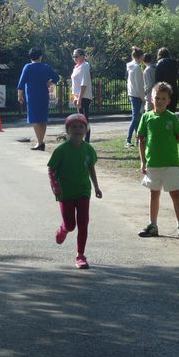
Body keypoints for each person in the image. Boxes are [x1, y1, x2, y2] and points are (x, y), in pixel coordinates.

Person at [136, 82, 179, 239]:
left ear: (168, 101)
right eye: (157, 97)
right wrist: (143, 161)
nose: (159, 100)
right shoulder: (146, 117)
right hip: (152, 164)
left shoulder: (172, 118)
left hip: (171, 164)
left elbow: (178, 138)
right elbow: (141, 139)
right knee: (154, 194)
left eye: (163, 98)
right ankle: (153, 225)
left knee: (175, 194)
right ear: (152, 99)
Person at [48, 113, 102, 269]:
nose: (77, 129)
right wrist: (55, 186)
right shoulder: (61, 150)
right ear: (67, 130)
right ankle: (63, 229)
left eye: (81, 126)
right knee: (71, 225)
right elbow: (51, 168)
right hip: (65, 193)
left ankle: (80, 255)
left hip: (83, 191)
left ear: (86, 129)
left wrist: (96, 187)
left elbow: (91, 167)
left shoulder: (89, 149)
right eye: (73, 127)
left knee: (83, 223)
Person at [17, 48, 60, 151]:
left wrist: (19, 95)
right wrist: (49, 82)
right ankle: (41, 142)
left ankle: (40, 143)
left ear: (30, 56)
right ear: (40, 56)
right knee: (43, 119)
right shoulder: (46, 67)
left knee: (34, 119)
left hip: (32, 96)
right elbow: (56, 77)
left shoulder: (27, 67)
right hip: (43, 95)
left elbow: (21, 82)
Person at [70, 48, 93, 142]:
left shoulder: (84, 66)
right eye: (73, 56)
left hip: (83, 97)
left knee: (84, 121)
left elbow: (83, 84)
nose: (74, 58)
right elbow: (75, 84)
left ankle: (86, 141)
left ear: (83, 56)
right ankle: (83, 140)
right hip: (78, 96)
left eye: (77, 56)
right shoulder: (77, 67)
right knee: (81, 120)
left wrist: (79, 98)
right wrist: (75, 97)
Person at [125, 47, 145, 147]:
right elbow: (140, 85)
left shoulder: (130, 66)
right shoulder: (137, 68)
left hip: (132, 94)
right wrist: (143, 98)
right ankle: (128, 140)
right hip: (136, 95)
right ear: (140, 57)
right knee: (135, 118)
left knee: (137, 118)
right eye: (142, 56)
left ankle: (137, 139)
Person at [154, 47, 179, 112]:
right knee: (172, 113)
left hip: (163, 91)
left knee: (162, 112)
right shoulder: (175, 63)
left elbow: (157, 80)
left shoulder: (159, 64)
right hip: (174, 89)